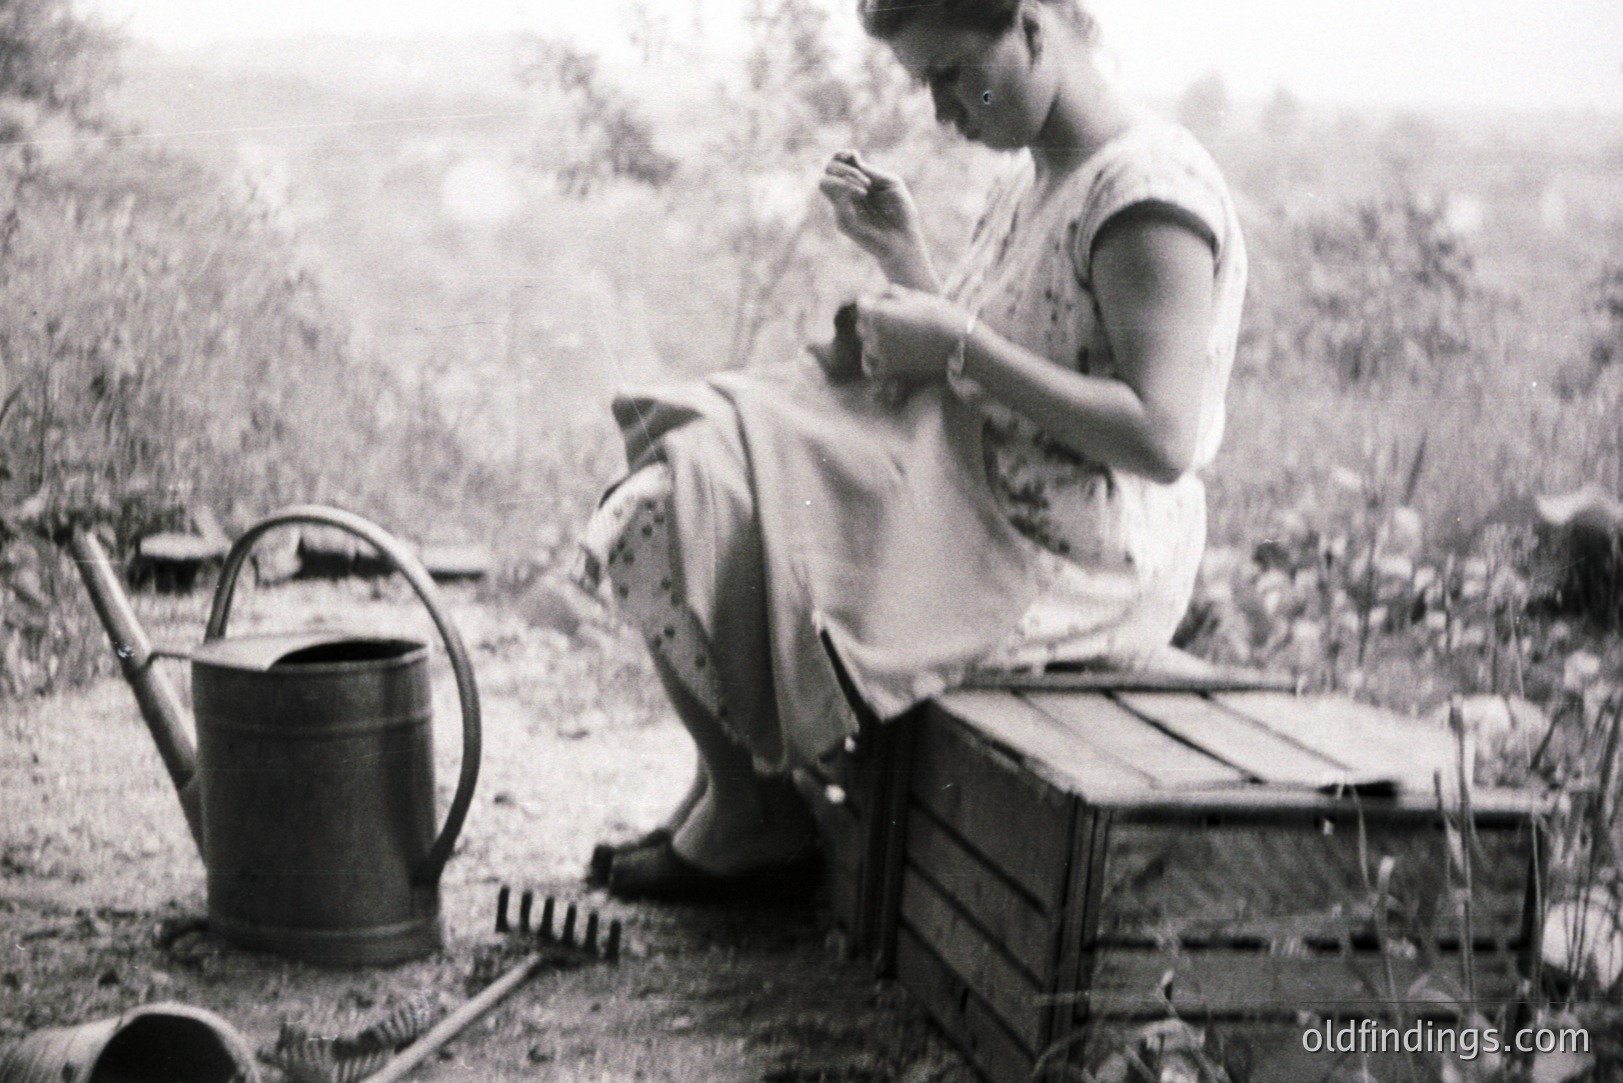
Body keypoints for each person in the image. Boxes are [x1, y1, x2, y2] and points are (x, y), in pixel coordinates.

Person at [575, 0, 1247, 901]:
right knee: (697, 473)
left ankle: (749, 812)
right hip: (978, 491)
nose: (942, 111)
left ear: (1033, 28)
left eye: (948, 75)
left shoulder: (1145, 197)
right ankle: (730, 789)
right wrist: (906, 259)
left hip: (1073, 561)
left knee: (670, 513)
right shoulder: (1038, 173)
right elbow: (1001, 355)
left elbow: (1161, 438)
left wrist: (955, 342)